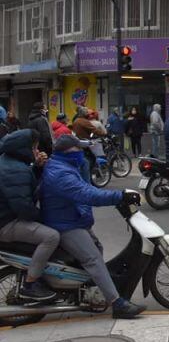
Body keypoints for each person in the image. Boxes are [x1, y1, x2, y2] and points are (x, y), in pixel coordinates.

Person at [40, 134, 145, 317]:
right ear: (67, 152)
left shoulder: (65, 166)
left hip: (72, 219)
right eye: (78, 149)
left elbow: (88, 189)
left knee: (97, 247)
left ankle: (84, 290)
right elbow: (87, 194)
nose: (82, 151)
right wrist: (119, 196)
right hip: (66, 225)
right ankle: (118, 304)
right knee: (93, 259)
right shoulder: (61, 173)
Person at [0, 130, 60, 301]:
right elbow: (24, 208)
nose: (37, 151)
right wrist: (46, 218)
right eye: (34, 148)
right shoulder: (14, 170)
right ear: (23, 149)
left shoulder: (10, 162)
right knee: (51, 236)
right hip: (6, 223)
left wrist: (36, 167)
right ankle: (30, 284)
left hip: (8, 217)